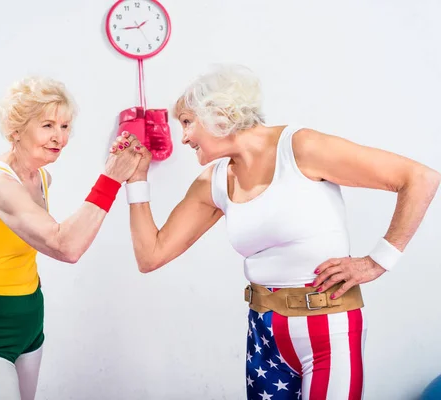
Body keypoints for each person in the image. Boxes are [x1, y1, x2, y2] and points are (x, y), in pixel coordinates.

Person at [112, 64, 440, 399]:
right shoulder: (214, 181)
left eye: (186, 122)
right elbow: (150, 255)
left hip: (327, 329)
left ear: (220, 114)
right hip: (263, 330)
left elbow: (419, 178)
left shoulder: (301, 147)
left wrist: (377, 261)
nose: (183, 137)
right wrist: (137, 179)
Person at [0, 76, 143, 400]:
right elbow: (65, 246)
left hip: (30, 316)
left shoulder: (41, 176)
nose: (59, 137)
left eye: (65, 126)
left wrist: (118, 170)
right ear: (16, 129)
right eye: (47, 125)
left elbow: (59, 235)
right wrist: (110, 177)